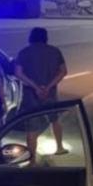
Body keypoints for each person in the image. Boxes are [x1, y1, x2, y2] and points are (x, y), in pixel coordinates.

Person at [15, 27, 69, 163]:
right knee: (55, 119)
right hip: (50, 94)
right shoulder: (55, 52)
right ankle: (60, 147)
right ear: (45, 37)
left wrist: (36, 87)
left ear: (31, 37)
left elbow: (18, 73)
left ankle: (32, 160)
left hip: (30, 96)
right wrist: (48, 87)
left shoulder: (24, 52)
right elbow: (63, 71)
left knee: (32, 127)